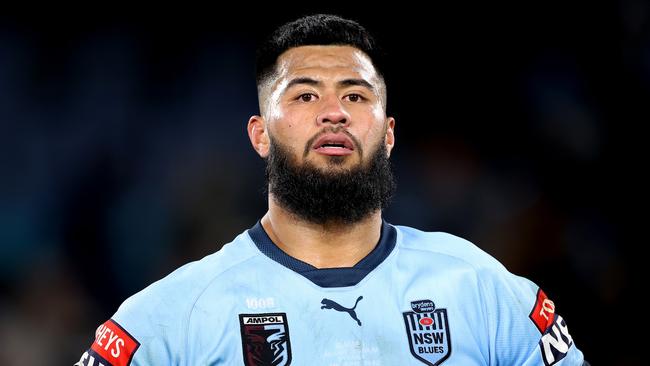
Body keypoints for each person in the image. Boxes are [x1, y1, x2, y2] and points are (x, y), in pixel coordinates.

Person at [75, 14, 587, 366]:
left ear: (387, 134)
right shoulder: (173, 316)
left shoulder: (482, 289)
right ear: (259, 134)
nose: (333, 111)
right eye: (305, 94)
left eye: (355, 94)